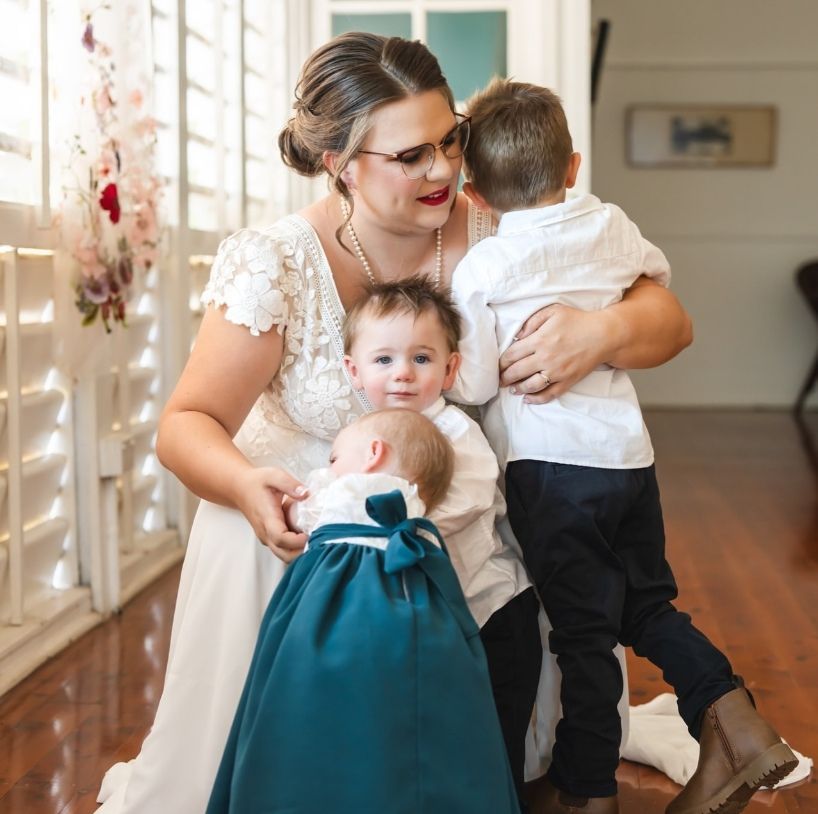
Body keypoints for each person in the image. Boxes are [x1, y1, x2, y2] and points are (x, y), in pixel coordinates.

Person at [96, 32, 693, 814]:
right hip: (306, 532)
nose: (444, 169)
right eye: (411, 156)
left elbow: (670, 320)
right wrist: (246, 486)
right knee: (255, 564)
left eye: (451, 139)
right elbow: (186, 423)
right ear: (341, 163)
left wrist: (603, 331)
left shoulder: (503, 224)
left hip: (471, 519)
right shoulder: (276, 261)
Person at [447, 77, 797, 814]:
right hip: (627, 458)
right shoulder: (611, 223)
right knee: (644, 603)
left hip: (548, 469)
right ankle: (730, 712)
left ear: (474, 196)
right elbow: (654, 285)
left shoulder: (484, 266)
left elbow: (474, 382)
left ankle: (588, 792)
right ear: (573, 165)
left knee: (582, 634)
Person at [206, 409, 521, 813]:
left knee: (305, 682)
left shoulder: (333, 490)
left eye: (335, 457)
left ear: (373, 453)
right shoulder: (416, 515)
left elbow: (294, 516)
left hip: (332, 593)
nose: (329, 466)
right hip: (410, 598)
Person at [341, 278, 541, 808]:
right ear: (354, 371)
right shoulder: (360, 438)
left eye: (421, 358)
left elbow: (465, 502)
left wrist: (380, 528)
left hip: (492, 612)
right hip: (431, 624)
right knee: (434, 741)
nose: (403, 372)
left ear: (450, 369)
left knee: (494, 742)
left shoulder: (455, 433)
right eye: (384, 359)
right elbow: (338, 490)